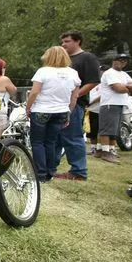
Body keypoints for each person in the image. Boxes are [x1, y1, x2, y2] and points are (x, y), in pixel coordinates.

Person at [25, 46, 80, 182]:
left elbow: (34, 92)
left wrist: (28, 107)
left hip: (42, 110)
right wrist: (69, 112)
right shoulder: (73, 73)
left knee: (38, 142)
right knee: (51, 142)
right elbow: (74, 97)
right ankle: (50, 171)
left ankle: (40, 173)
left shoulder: (43, 71)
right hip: (61, 111)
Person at [55, 30, 100, 180]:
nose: (63, 44)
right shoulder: (64, 59)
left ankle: (79, 171)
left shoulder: (87, 57)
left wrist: (75, 95)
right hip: (57, 104)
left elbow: (93, 81)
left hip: (75, 105)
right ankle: (50, 167)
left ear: (77, 41)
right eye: (62, 42)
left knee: (73, 136)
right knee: (56, 136)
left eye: (67, 41)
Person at [95, 53, 132, 164]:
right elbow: (118, 89)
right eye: (120, 60)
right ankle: (105, 151)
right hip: (109, 103)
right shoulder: (109, 73)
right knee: (107, 128)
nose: (123, 62)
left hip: (119, 103)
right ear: (114, 61)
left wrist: (126, 87)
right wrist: (128, 88)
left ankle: (111, 150)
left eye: (125, 61)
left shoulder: (124, 74)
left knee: (115, 129)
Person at [86, 66, 106, 155]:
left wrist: (91, 102)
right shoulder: (93, 81)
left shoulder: (104, 83)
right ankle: (93, 148)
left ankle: (100, 148)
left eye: (101, 71)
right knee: (92, 129)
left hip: (101, 109)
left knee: (100, 129)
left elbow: (102, 96)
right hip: (91, 109)